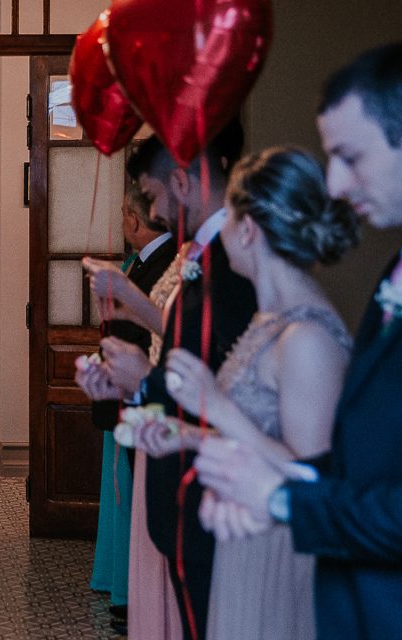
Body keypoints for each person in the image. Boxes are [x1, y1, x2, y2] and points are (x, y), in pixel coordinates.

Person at [195, 43, 402, 639]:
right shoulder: (390, 277)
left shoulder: (305, 335)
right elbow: (356, 460)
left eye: (350, 155)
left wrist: (282, 500)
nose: (334, 182)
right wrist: (252, 485)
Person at [139, 147, 357, 640]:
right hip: (241, 541)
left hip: (281, 551)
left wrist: (214, 405)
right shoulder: (268, 321)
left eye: (230, 216)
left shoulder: (307, 339)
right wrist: (187, 435)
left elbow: (314, 478)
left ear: (249, 230)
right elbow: (259, 438)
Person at [77, 125, 256, 640]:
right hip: (178, 468)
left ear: (180, 182)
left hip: (207, 481)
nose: (153, 213)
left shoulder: (233, 257)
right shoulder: (198, 253)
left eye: (153, 196)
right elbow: (185, 340)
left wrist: (145, 380)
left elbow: (225, 374)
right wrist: (132, 381)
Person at [89, 181, 174, 634]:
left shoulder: (167, 266)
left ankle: (133, 596)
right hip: (123, 391)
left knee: (133, 499)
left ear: (134, 220)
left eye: (124, 213)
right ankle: (122, 585)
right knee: (124, 495)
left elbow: (154, 331)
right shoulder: (142, 262)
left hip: (143, 396)